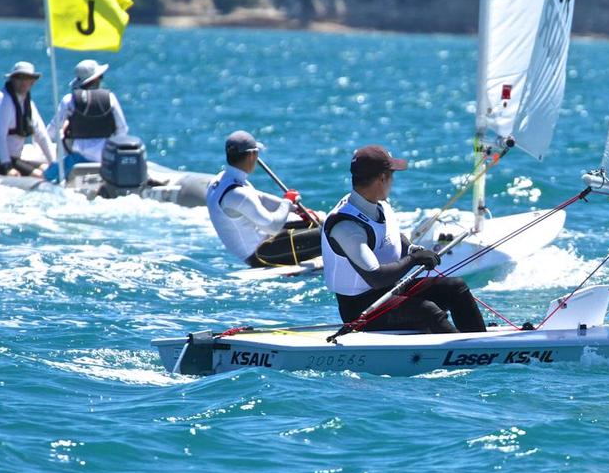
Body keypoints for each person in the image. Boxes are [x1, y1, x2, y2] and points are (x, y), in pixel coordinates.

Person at [321, 145, 487, 334]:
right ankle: (467, 355)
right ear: (382, 178)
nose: (393, 181)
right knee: (428, 311)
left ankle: (482, 344)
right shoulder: (346, 226)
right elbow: (376, 277)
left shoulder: (375, 203)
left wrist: (411, 250)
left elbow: (390, 235)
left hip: (390, 291)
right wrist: (414, 260)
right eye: (392, 175)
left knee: (456, 288)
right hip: (361, 310)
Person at [207, 130, 322, 268]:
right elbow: (272, 227)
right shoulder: (238, 194)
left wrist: (295, 208)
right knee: (330, 234)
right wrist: (287, 202)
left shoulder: (222, 179)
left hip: (267, 242)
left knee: (320, 220)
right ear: (252, 155)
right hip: (262, 255)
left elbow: (259, 197)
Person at [46, 59, 128, 180]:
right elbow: (122, 130)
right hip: (106, 159)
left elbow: (52, 131)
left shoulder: (69, 101)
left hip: (78, 160)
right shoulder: (110, 99)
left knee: (47, 176)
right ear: (96, 79)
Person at [0, 61, 55, 177]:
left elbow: (41, 135)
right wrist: (7, 167)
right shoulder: (2, 101)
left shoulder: (27, 103)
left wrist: (54, 163)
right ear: (12, 80)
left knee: (46, 168)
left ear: (33, 82)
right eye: (19, 78)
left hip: (14, 159)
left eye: (27, 79)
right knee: (39, 175)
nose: (23, 82)